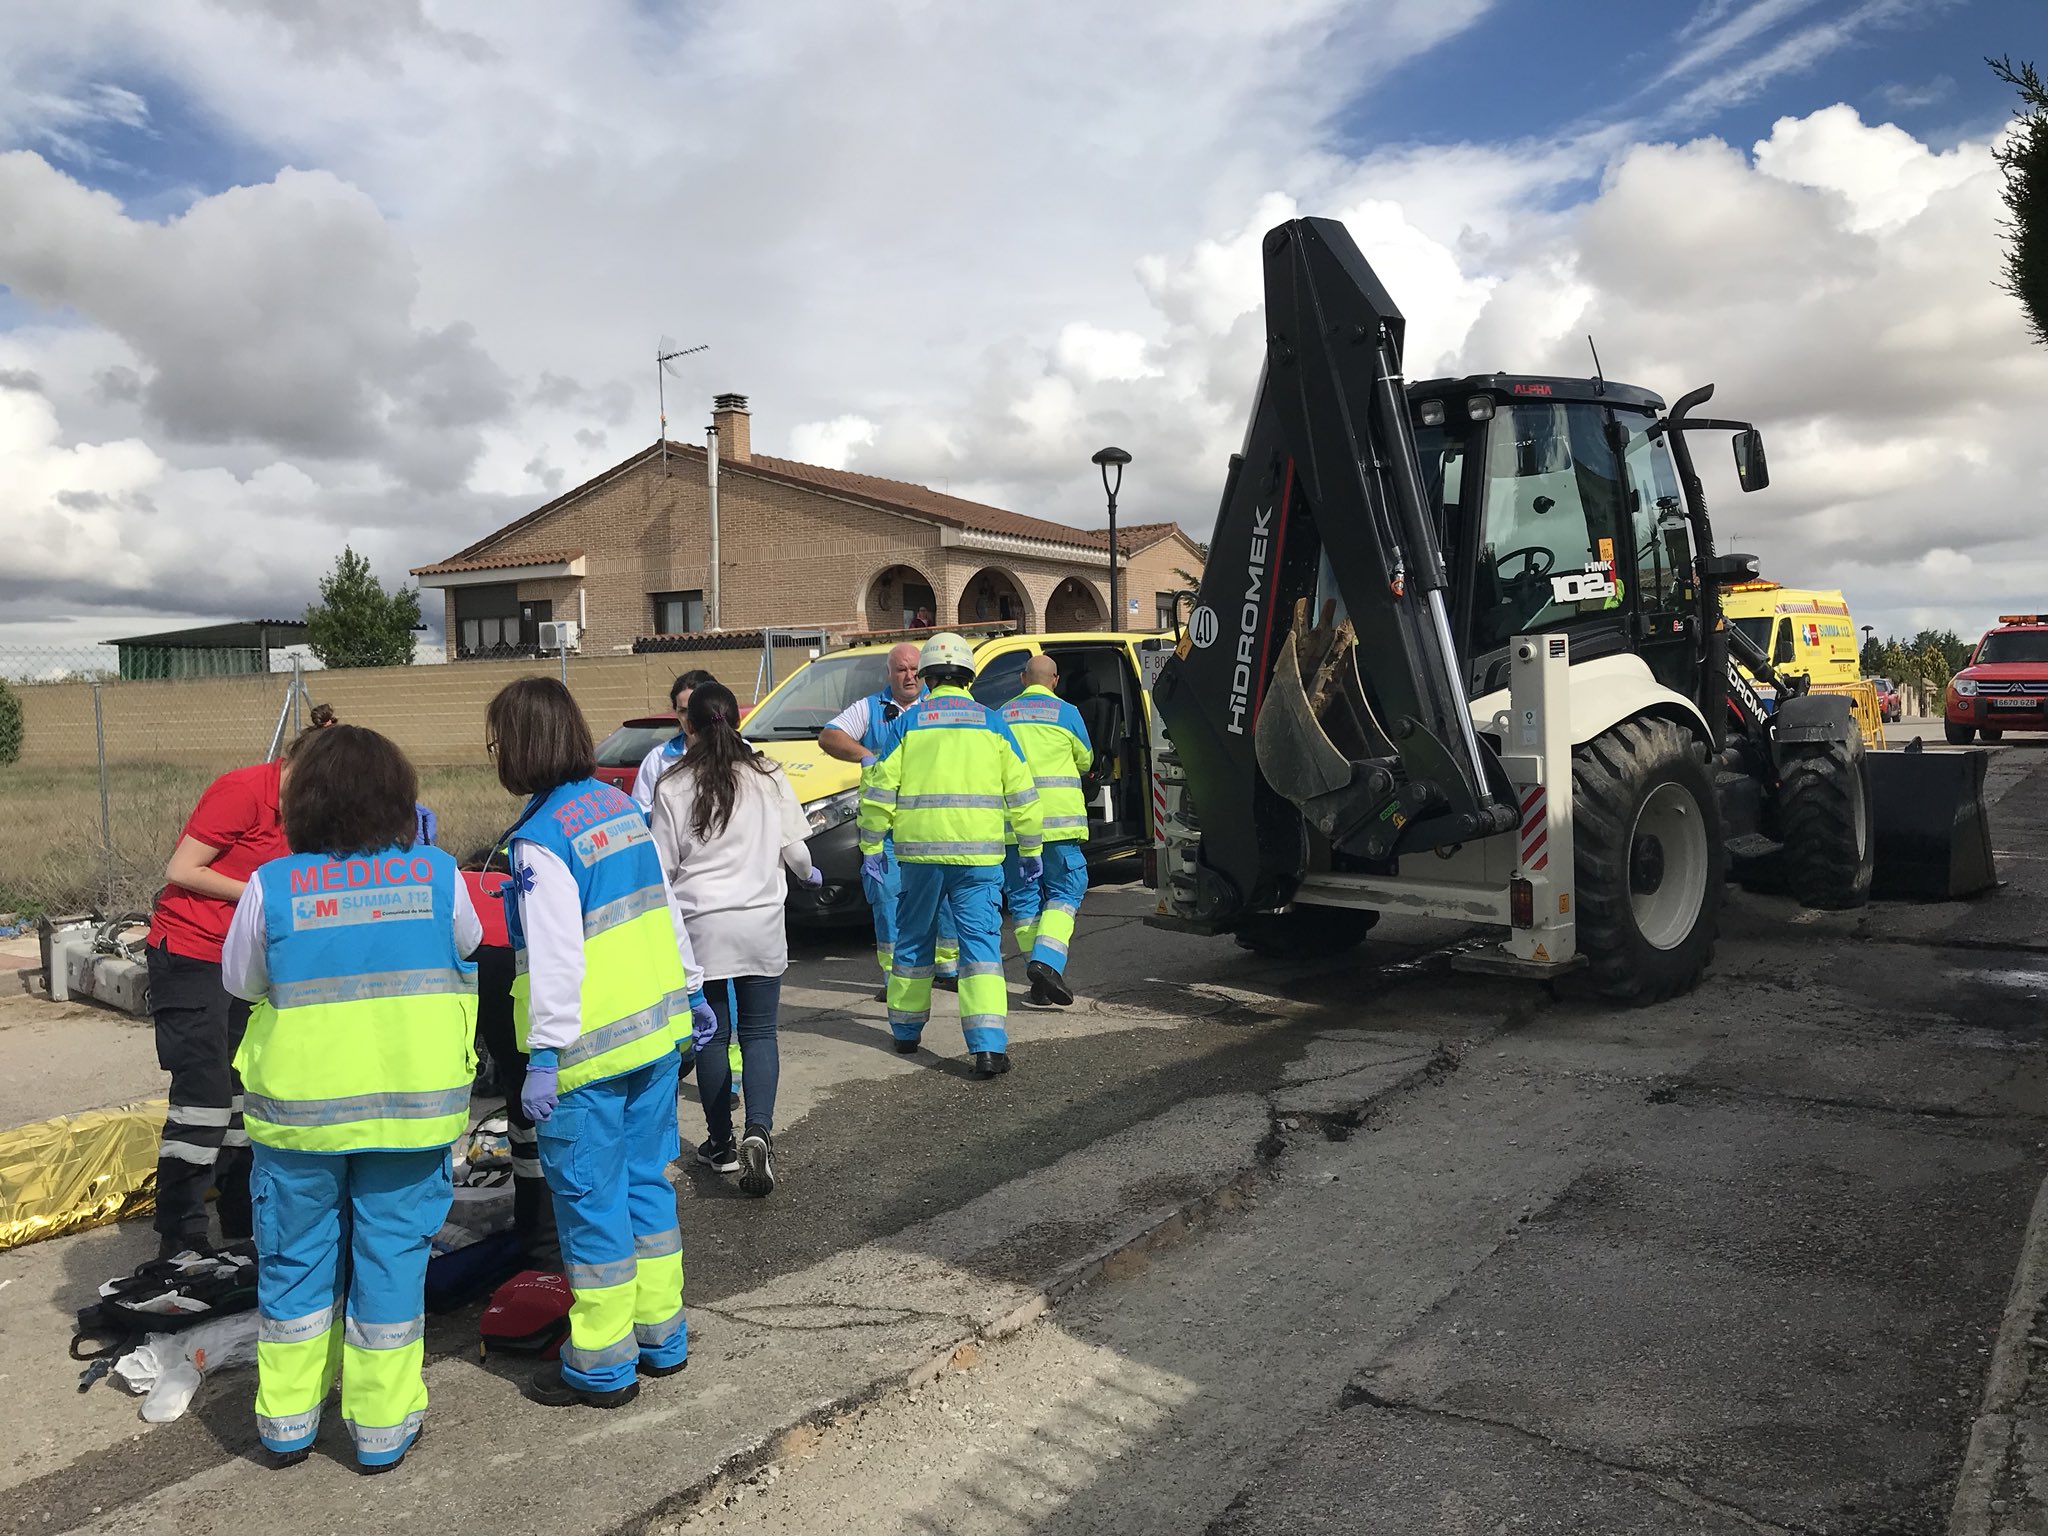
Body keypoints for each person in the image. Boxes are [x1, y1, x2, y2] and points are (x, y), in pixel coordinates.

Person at [220, 725, 481, 1472]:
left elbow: (241, 982)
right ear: (400, 800)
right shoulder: (435, 874)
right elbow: (465, 944)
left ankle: (287, 1425)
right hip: (409, 1112)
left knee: (296, 1264)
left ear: (303, 803)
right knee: (391, 1259)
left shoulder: (272, 885)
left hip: (300, 1119)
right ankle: (380, 1428)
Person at [487, 676, 714, 1410]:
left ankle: (601, 1363)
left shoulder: (539, 840)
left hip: (585, 1056)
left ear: (518, 746)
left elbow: (555, 957)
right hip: (653, 1037)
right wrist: (692, 989)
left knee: (589, 1206)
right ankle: (662, 1337)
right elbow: (664, 909)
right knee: (648, 1186)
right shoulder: (619, 809)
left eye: (497, 741)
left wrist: (544, 1055)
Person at [650, 682, 816, 1198]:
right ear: (738, 722)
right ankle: (759, 1131)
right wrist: (810, 876)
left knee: (714, 1036)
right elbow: (799, 855)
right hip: (762, 923)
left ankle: (720, 1144)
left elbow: (661, 868)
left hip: (702, 927)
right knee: (761, 1033)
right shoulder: (768, 776)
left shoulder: (673, 786)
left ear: (688, 726)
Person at [857, 632, 1042, 1078]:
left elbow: (879, 790)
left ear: (925, 678)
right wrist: (1031, 847)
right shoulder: (993, 724)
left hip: (919, 858)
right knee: (979, 948)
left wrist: (870, 845)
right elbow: (1022, 791)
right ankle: (988, 1047)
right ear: (968, 676)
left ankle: (905, 1032)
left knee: (913, 940)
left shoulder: (909, 723)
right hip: (979, 859)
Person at [142, 744, 298, 1259]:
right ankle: (181, 1233)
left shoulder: (305, 809)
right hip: (191, 953)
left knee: (245, 1092)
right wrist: (260, 891)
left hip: (243, 957)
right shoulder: (243, 792)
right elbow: (183, 869)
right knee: (203, 1098)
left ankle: (240, 1219)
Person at [817, 643, 958, 998]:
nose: (909, 676)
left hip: (930, 824)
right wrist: (864, 754)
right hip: (885, 830)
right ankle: (897, 978)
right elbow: (829, 736)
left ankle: (947, 967)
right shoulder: (871, 708)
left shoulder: (939, 704)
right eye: (901, 670)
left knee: (941, 897)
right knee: (887, 899)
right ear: (890, 674)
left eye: (914, 670)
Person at [461, 844, 558, 1267]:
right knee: (524, 1107)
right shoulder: (519, 883)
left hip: (464, 959)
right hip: (512, 963)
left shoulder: (456, 880)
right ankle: (539, 1239)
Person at [998, 655, 1094, 1008]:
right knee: (1066, 890)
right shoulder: (1067, 713)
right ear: (1055, 680)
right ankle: (1047, 963)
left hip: (1014, 827)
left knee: (1023, 901)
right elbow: (1085, 759)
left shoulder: (1002, 714)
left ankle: (1037, 981)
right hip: (1059, 825)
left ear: (1024, 679)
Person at [633, 670, 717, 814]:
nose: (689, 718)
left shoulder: (741, 751)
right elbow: (640, 811)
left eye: (696, 709)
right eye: (683, 711)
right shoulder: (659, 758)